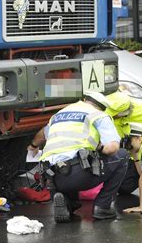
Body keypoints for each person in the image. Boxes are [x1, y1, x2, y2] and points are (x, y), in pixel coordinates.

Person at [28, 92, 129, 223]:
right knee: (122, 155)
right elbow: (112, 148)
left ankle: (67, 201)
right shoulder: (99, 115)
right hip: (80, 174)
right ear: (102, 108)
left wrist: (32, 146)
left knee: (68, 165)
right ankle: (102, 207)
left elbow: (42, 134)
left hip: (52, 178)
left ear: (84, 100)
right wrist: (99, 148)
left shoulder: (59, 115)